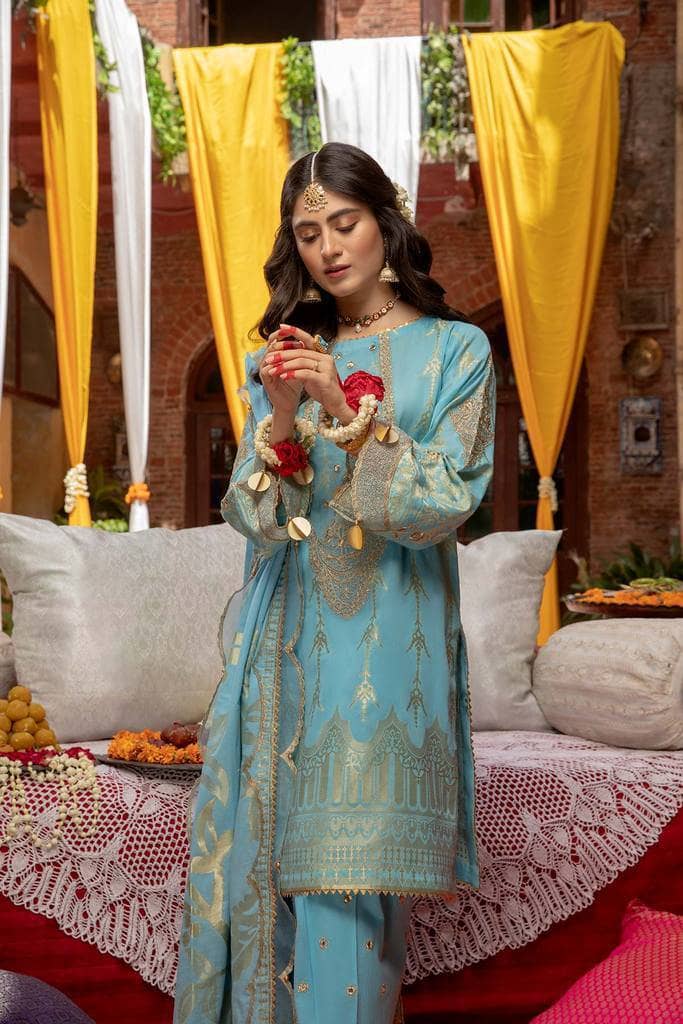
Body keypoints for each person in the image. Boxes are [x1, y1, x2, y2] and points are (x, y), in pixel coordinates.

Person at [174, 142, 496, 1024]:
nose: (326, 247)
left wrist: (346, 415)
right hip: (286, 649)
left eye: (343, 223)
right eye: (307, 234)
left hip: (390, 649)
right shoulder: (288, 355)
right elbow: (255, 517)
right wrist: (282, 416)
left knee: (350, 882)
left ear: (385, 222)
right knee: (284, 881)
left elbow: (445, 502)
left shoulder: (456, 349)